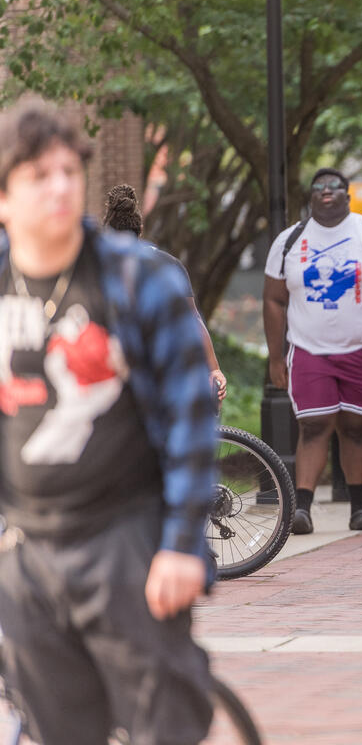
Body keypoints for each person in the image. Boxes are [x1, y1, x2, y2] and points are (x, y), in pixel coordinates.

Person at [0, 99, 217, 742]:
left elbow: (190, 415)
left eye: (69, 170)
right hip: (26, 548)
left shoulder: (136, 277)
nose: (61, 186)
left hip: (127, 536)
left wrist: (181, 544)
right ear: (4, 198)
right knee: (59, 728)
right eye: (39, 175)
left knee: (162, 723)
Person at [263, 168, 362, 535]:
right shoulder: (289, 240)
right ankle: (301, 509)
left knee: (354, 427)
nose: (326, 191)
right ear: (310, 196)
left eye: (334, 186)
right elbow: (273, 299)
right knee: (314, 426)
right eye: (318, 187)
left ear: (348, 194)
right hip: (308, 350)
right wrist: (275, 355)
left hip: (360, 352)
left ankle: (359, 508)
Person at [102, 183, 227, 402]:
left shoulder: (99, 265)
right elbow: (192, 319)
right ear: (140, 230)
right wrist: (213, 369)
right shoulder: (168, 265)